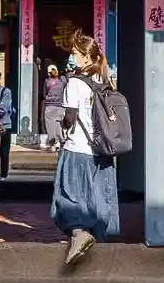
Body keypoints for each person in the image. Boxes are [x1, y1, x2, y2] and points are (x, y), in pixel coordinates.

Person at [51, 31, 119, 266]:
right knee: (97, 197)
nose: (72, 57)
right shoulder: (104, 81)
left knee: (71, 195)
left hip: (77, 147)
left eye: (75, 53)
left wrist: (62, 124)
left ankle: (79, 235)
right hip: (101, 150)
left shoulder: (74, 83)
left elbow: (70, 117)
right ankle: (98, 242)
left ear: (86, 57)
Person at [0, 74, 16, 181]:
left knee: (4, 151)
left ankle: (3, 174)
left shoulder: (6, 92)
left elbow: (4, 108)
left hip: (4, 125)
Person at [41, 64, 66, 151]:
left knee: (50, 125)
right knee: (58, 124)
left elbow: (44, 94)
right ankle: (61, 141)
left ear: (48, 73)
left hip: (50, 106)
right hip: (60, 106)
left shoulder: (47, 81)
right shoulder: (62, 81)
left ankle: (52, 144)